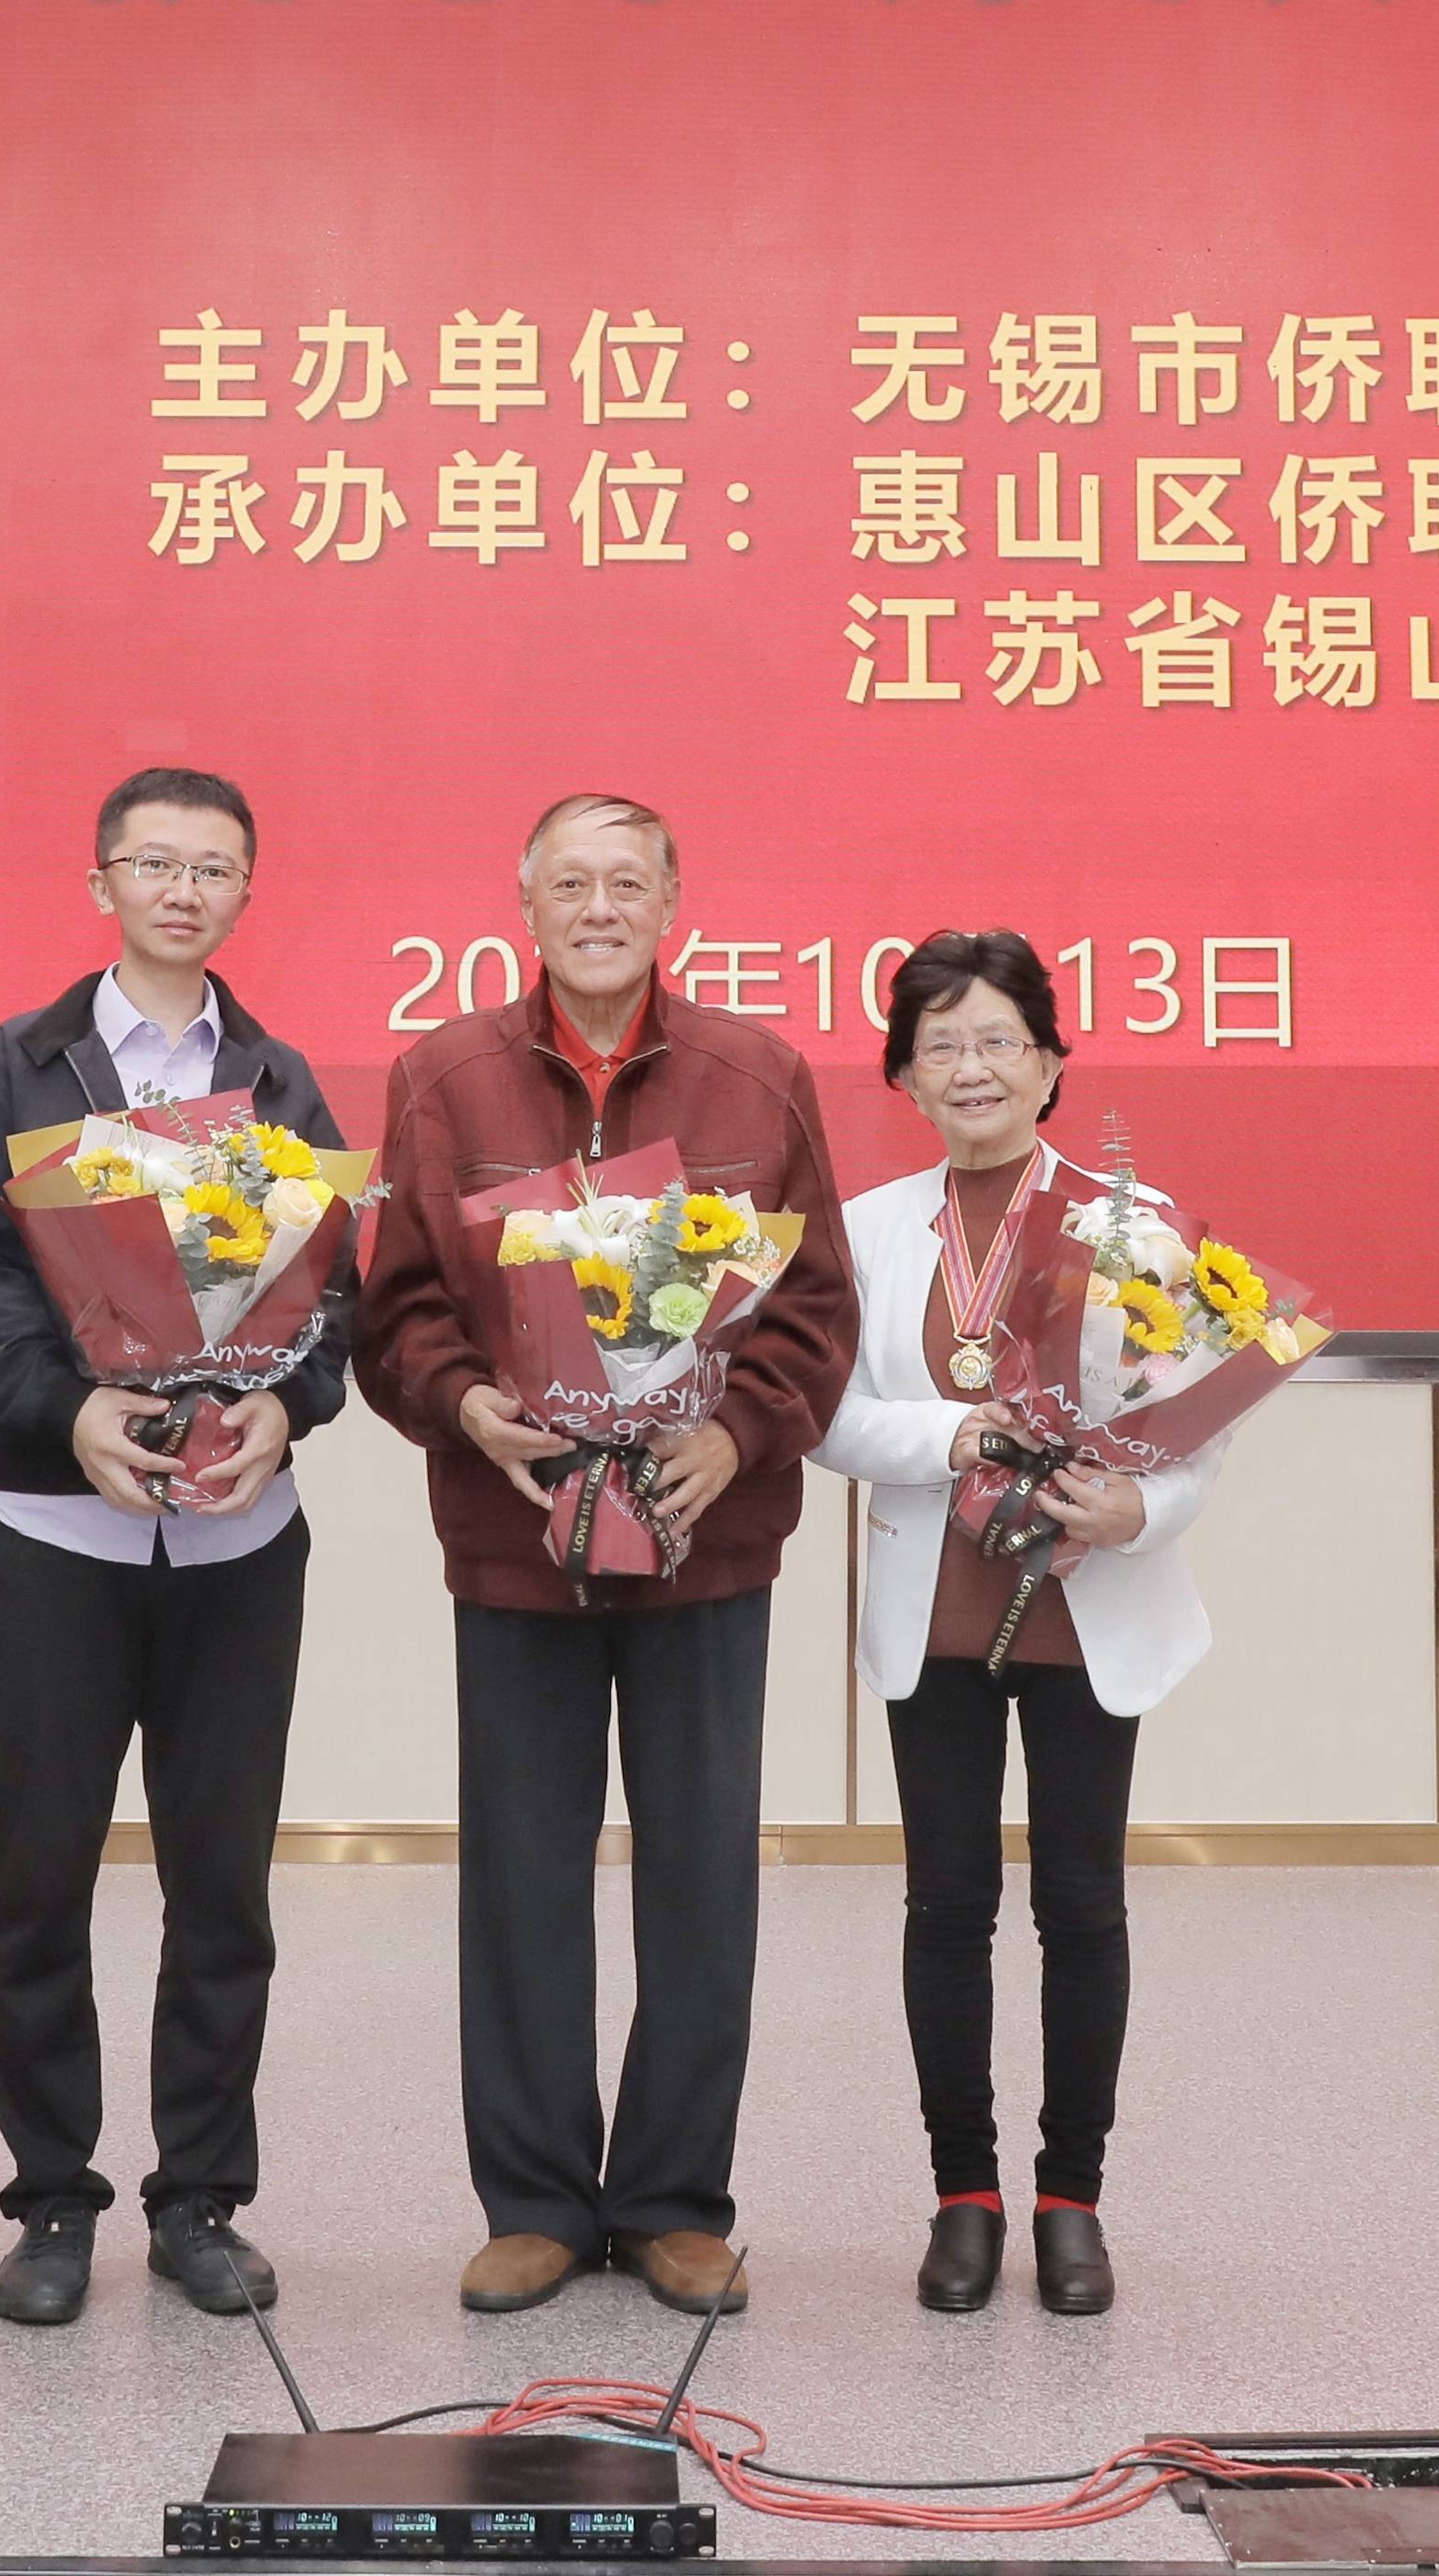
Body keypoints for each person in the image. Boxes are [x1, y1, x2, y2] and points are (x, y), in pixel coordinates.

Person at [351, 792, 859, 2320]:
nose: (596, 908)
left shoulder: (755, 1075)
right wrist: (465, 1404)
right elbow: (399, 1305)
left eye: (624, 882)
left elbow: (813, 1307)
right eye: (568, 883)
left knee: (700, 1874)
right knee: (519, 1875)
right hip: (518, 1536)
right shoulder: (443, 1076)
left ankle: (673, 2202)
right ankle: (532, 2203)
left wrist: (741, 1436)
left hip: (707, 1541)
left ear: (669, 902)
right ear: (524, 903)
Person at [0, 768, 349, 2329]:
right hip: (54, 1531)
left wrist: (288, 1409)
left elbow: (334, 1288)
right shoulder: (15, 1066)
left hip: (237, 1549)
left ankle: (199, 2201)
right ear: (100, 882)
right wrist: (68, 1409)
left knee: (220, 1889)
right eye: (154, 863)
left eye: (212, 867)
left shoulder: (278, 1079)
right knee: (37, 1882)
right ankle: (50, 2202)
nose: (182, 889)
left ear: (245, 893)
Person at [814, 930, 1224, 2320]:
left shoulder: (1134, 1223)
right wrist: (954, 1432)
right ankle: (963, 2197)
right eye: (940, 1045)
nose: (971, 1067)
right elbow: (824, 1418)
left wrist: (1137, 1509)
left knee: (1081, 1905)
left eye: (998, 1040)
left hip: (1082, 1604)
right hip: (934, 1606)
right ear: (905, 1076)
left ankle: (1070, 2200)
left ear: (1050, 1066)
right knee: (945, 1904)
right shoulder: (869, 1227)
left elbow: (1198, 1429)